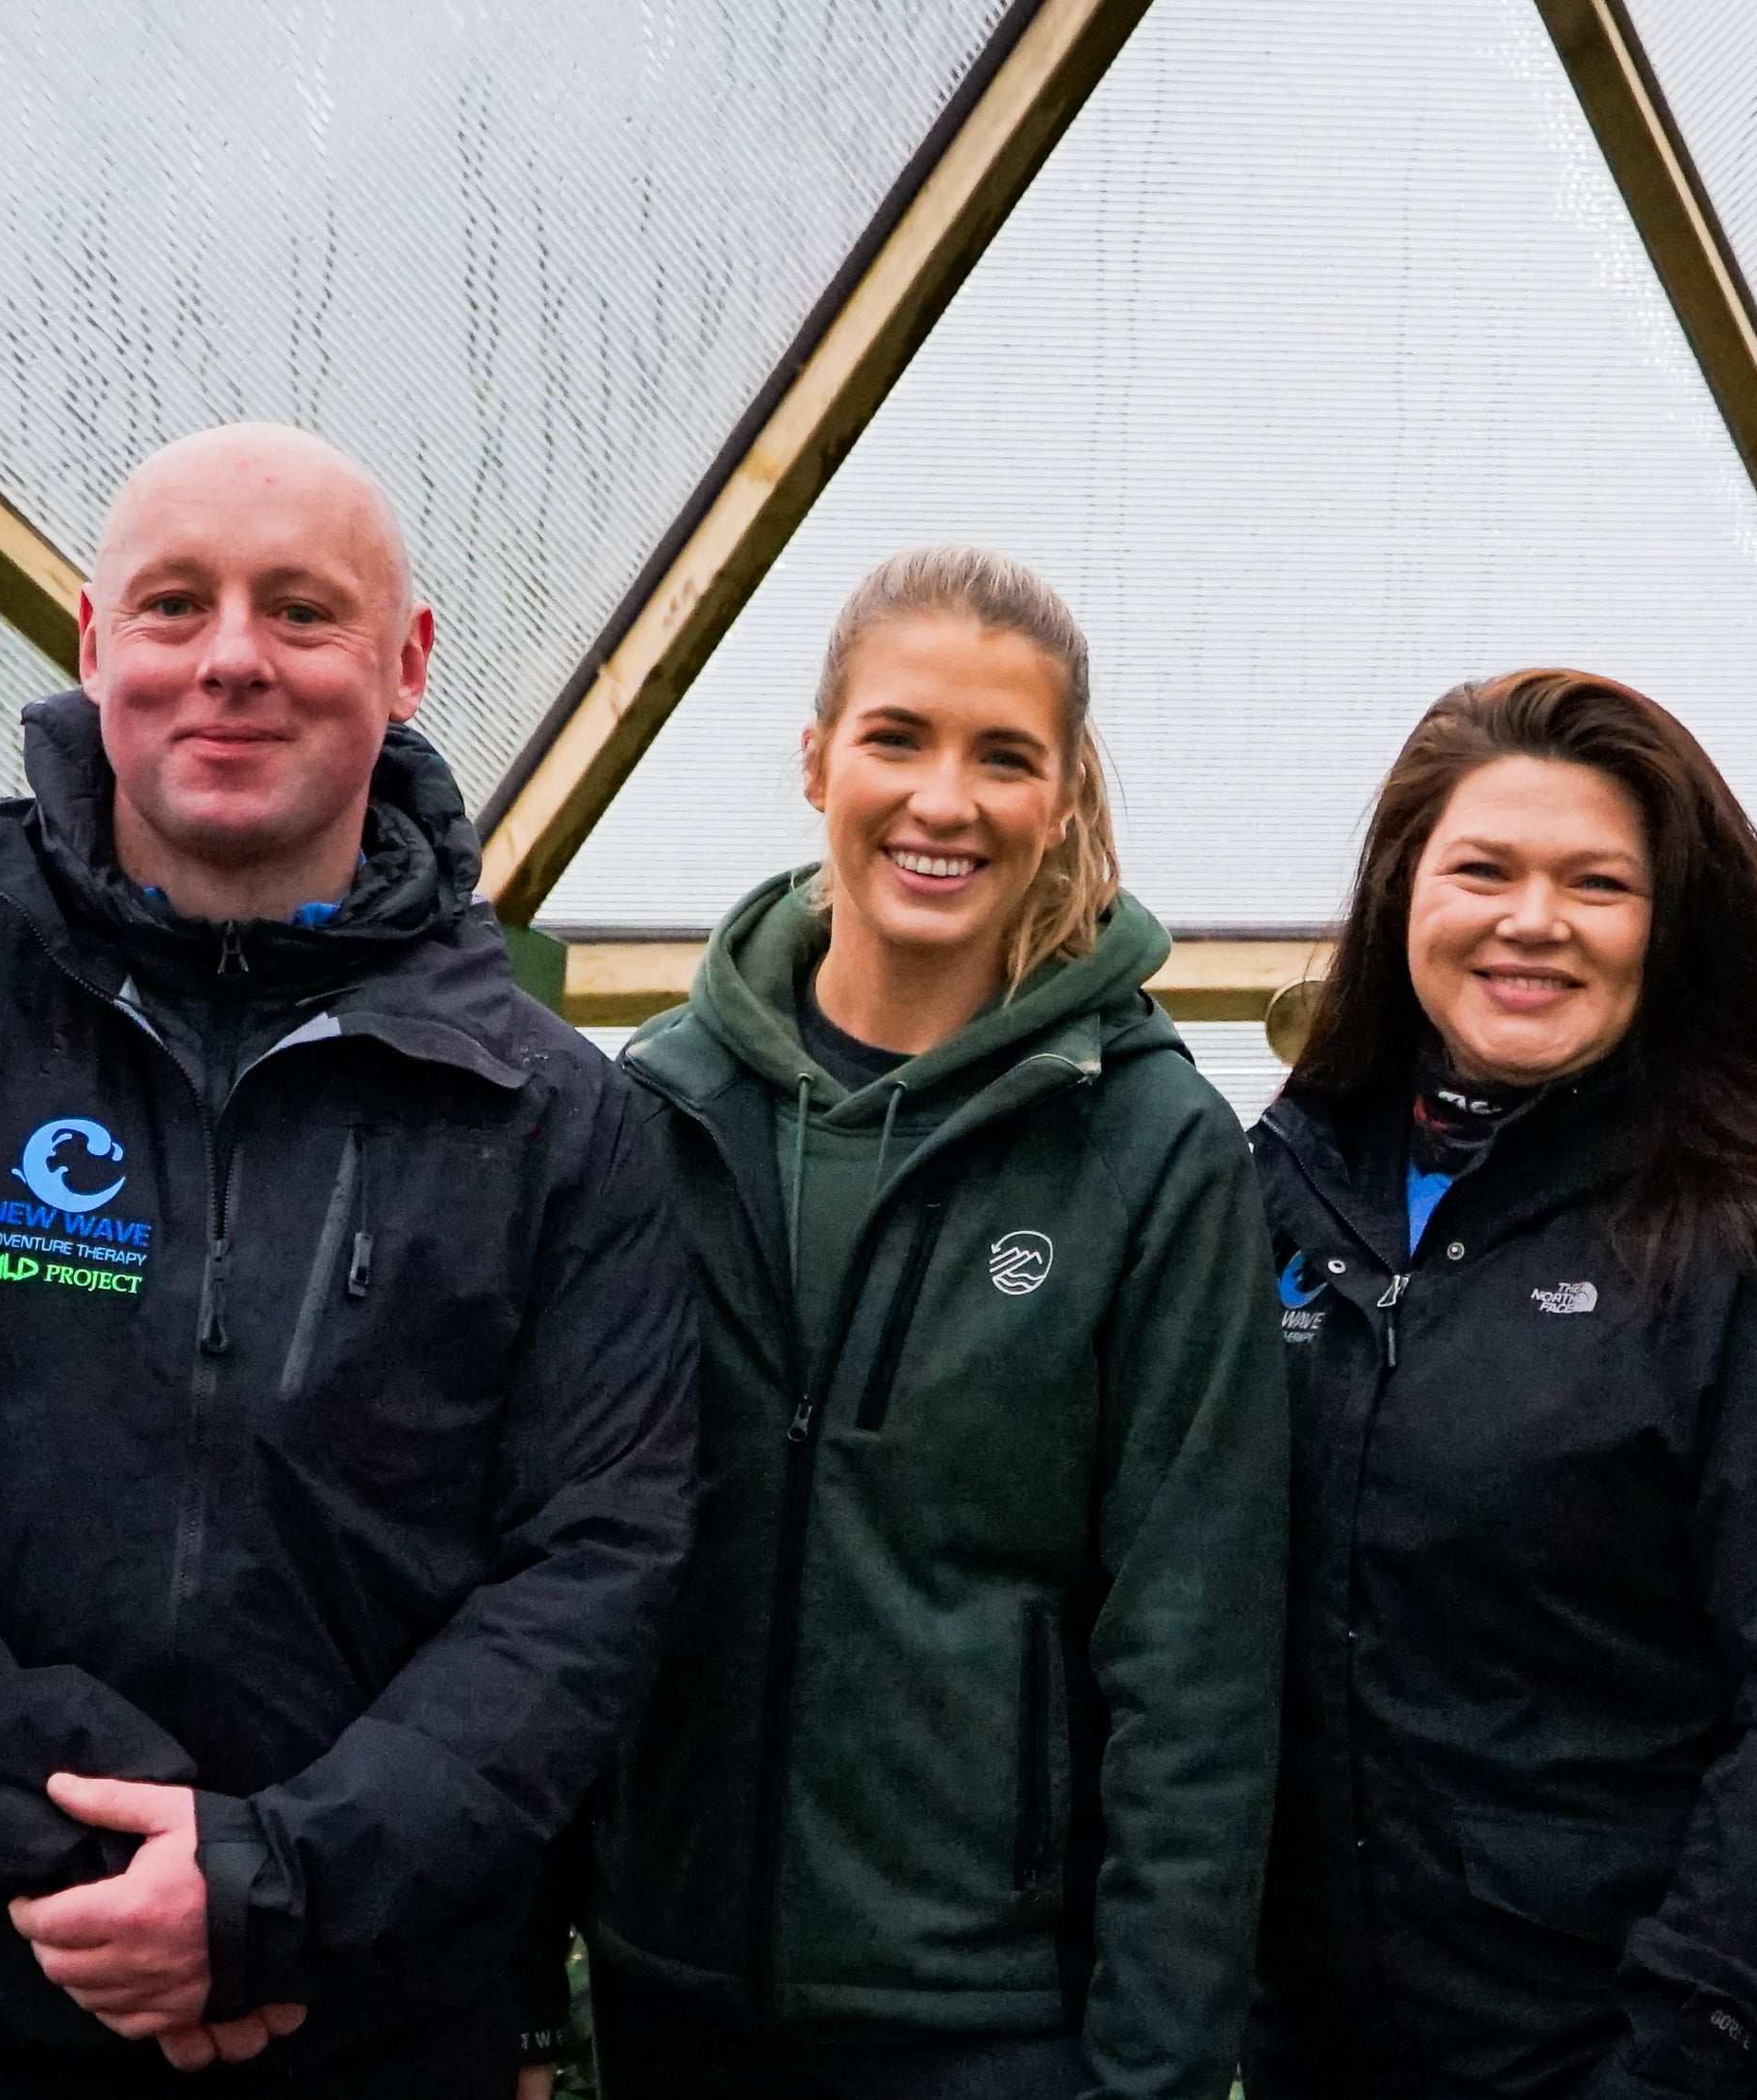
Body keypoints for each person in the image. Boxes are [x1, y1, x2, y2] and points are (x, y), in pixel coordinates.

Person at [0, 423, 700, 2098]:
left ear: (405, 662)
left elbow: (596, 1568)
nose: (231, 663)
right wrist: (105, 1856)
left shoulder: (554, 1121)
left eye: (301, 611)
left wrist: (284, 1884)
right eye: (174, 605)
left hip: (368, 2036)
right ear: (91, 642)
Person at [549, 548, 1285, 2100]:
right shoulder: (657, 1117)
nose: (943, 802)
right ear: (816, 759)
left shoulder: (1151, 1153)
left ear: (1064, 793)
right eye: (898, 738)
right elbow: (548, 1569)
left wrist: (1156, 2071)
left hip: (995, 2023)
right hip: (671, 1981)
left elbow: (1195, 1657)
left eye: (1003, 755)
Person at [1243, 670, 1757, 2100]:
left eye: (1597, 883)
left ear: (1670, 928)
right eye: (1483, 870)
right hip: (1332, 2048)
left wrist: (1685, 2050)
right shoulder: (1282, 1198)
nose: (1532, 922)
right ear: (1399, 900)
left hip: (1654, 2060)